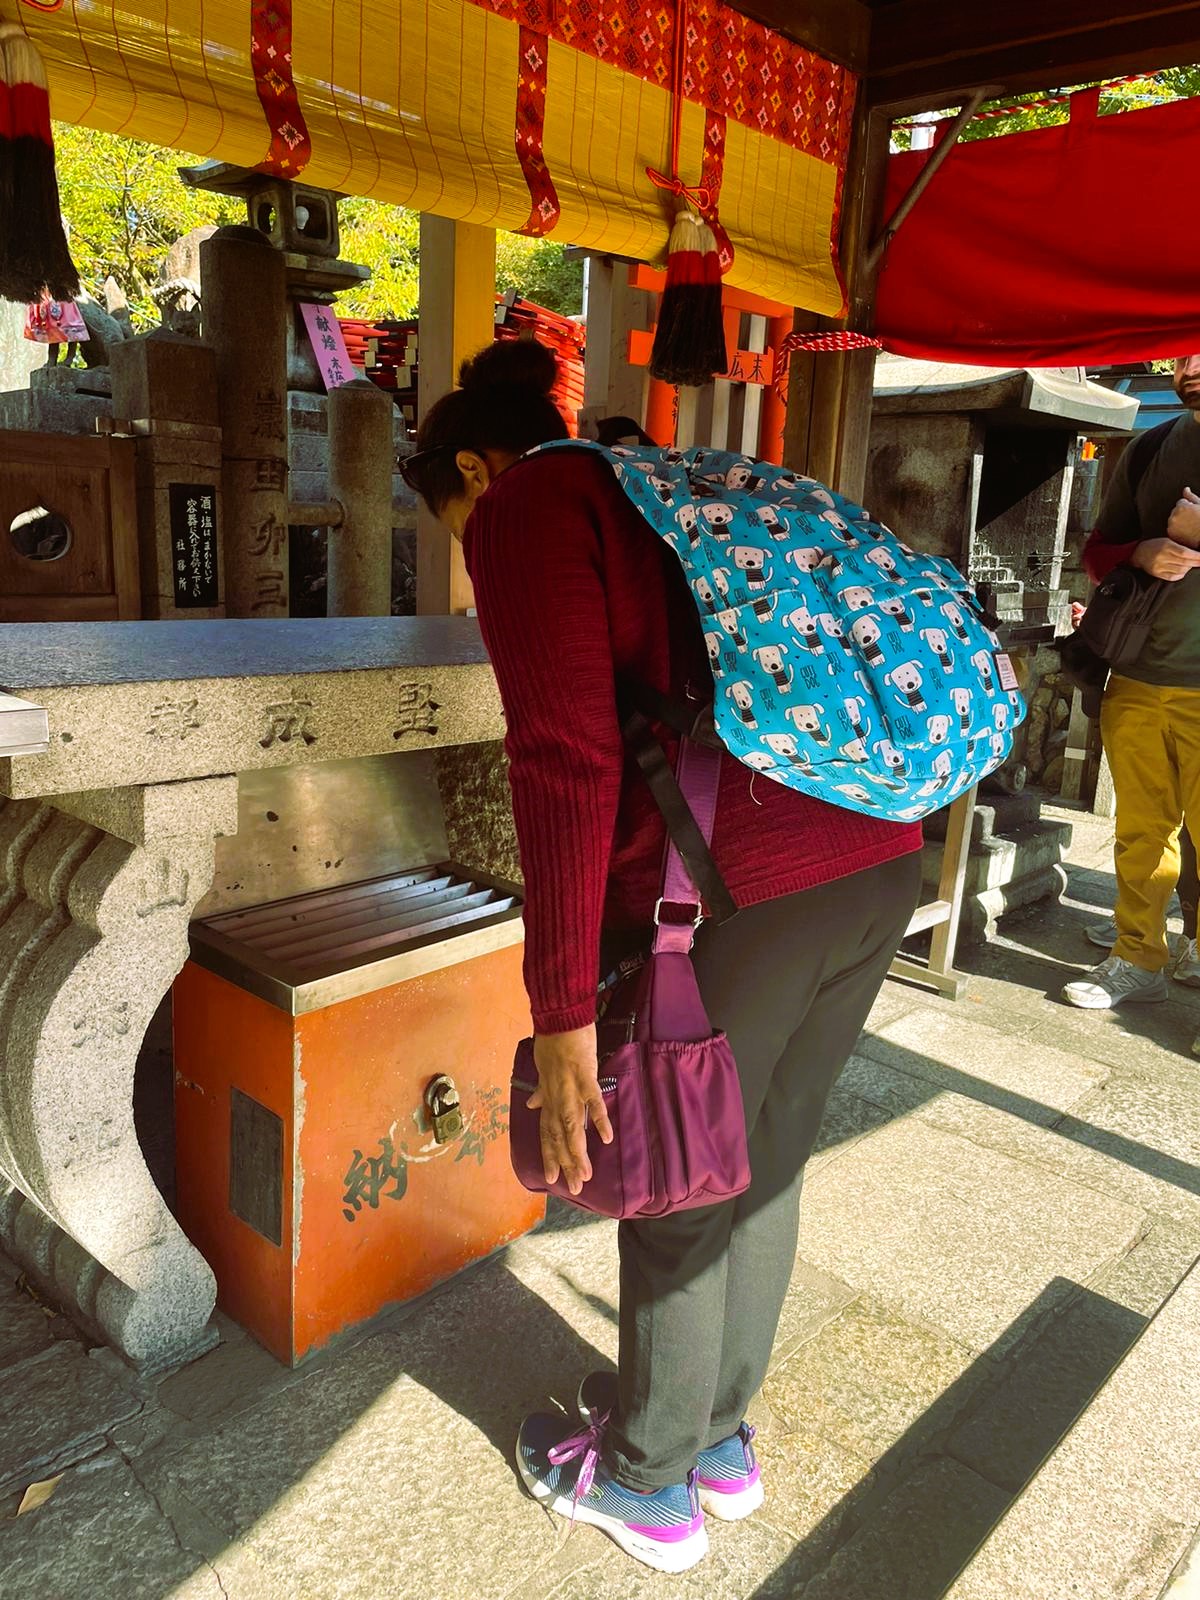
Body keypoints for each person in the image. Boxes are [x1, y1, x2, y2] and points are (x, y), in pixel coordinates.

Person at [401, 340, 924, 1574]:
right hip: (876, 852)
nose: (470, 552)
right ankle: (716, 1439)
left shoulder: (531, 506)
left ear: (473, 470)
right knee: (765, 1163)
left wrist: (561, 1012)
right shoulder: (654, 482)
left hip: (742, 891)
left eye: (455, 525)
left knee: (680, 1183)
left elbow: (565, 763)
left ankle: (647, 1482)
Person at [1064, 354, 1200, 1011]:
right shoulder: (1149, 446)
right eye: (1182, 351)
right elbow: (1097, 552)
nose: (1191, 365)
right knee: (1141, 832)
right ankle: (1138, 956)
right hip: (1139, 676)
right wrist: (1141, 552)